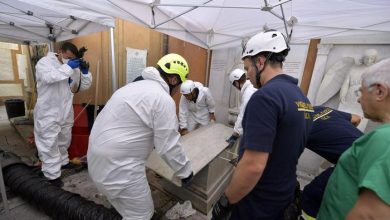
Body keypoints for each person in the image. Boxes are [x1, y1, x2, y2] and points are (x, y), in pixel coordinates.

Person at [212, 30, 313, 220]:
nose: (248, 76)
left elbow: (253, 166)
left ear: (260, 62)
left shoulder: (265, 98)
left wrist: (226, 201)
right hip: (284, 197)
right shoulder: (302, 98)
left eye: (248, 68)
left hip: (258, 202)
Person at [87, 53, 194, 220]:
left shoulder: (130, 88)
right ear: (173, 79)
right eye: (179, 84)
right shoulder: (162, 99)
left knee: (125, 206)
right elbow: (168, 146)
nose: (177, 92)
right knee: (142, 214)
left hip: (96, 160)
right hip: (119, 168)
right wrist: (186, 172)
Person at [317, 58, 390, 220]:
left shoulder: (384, 139)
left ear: (380, 92)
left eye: (361, 92)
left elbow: (369, 214)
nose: (358, 99)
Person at [34, 42, 92, 187]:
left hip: (65, 110)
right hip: (48, 111)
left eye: (72, 59)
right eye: (68, 58)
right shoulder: (44, 63)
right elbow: (49, 78)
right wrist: (68, 67)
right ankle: (52, 175)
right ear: (59, 51)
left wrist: (85, 73)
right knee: (49, 142)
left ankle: (64, 162)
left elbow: (82, 86)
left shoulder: (72, 67)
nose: (69, 61)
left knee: (64, 139)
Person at [300, 106, 364, 220]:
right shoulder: (321, 109)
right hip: (369, 151)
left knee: (311, 196)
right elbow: (357, 118)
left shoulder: (295, 125)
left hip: (355, 164)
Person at [338, 49, 379, 131]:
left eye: (371, 58)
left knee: (360, 121)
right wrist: (342, 94)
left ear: (375, 59)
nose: (368, 60)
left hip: (364, 97)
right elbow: (346, 82)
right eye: (367, 58)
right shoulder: (354, 68)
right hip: (350, 95)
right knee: (343, 118)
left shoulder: (376, 70)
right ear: (363, 58)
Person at [226, 69, 256, 145]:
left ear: (236, 82)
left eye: (234, 85)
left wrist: (235, 134)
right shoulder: (252, 87)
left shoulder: (248, 92)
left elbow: (243, 114)